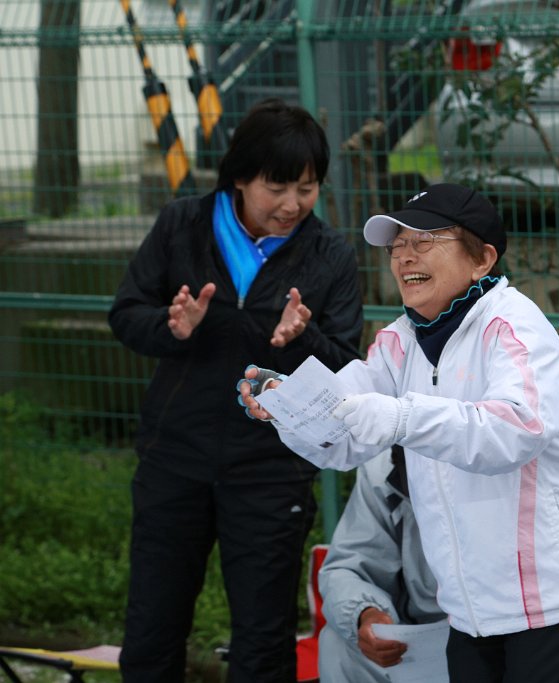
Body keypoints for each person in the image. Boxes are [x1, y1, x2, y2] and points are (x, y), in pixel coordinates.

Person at [240, 182, 559, 683]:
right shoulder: (400, 340)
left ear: (482, 260)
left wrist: (398, 416)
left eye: (424, 241)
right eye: (397, 245)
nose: (405, 256)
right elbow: (341, 436)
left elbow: (513, 430)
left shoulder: (514, 327)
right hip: (470, 605)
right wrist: (287, 405)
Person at [108, 98, 364, 682]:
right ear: (240, 178)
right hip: (174, 459)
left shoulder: (330, 255)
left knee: (263, 640)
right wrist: (171, 328)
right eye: (277, 187)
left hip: (272, 471)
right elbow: (126, 314)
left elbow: (348, 366)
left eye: (307, 188)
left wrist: (302, 339)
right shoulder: (182, 225)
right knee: (151, 628)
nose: (292, 204)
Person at [317, 445, 446, 683]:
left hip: (496, 635)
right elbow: (347, 567)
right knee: (339, 643)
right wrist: (366, 613)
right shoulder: (383, 466)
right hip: (423, 638)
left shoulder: (503, 456)